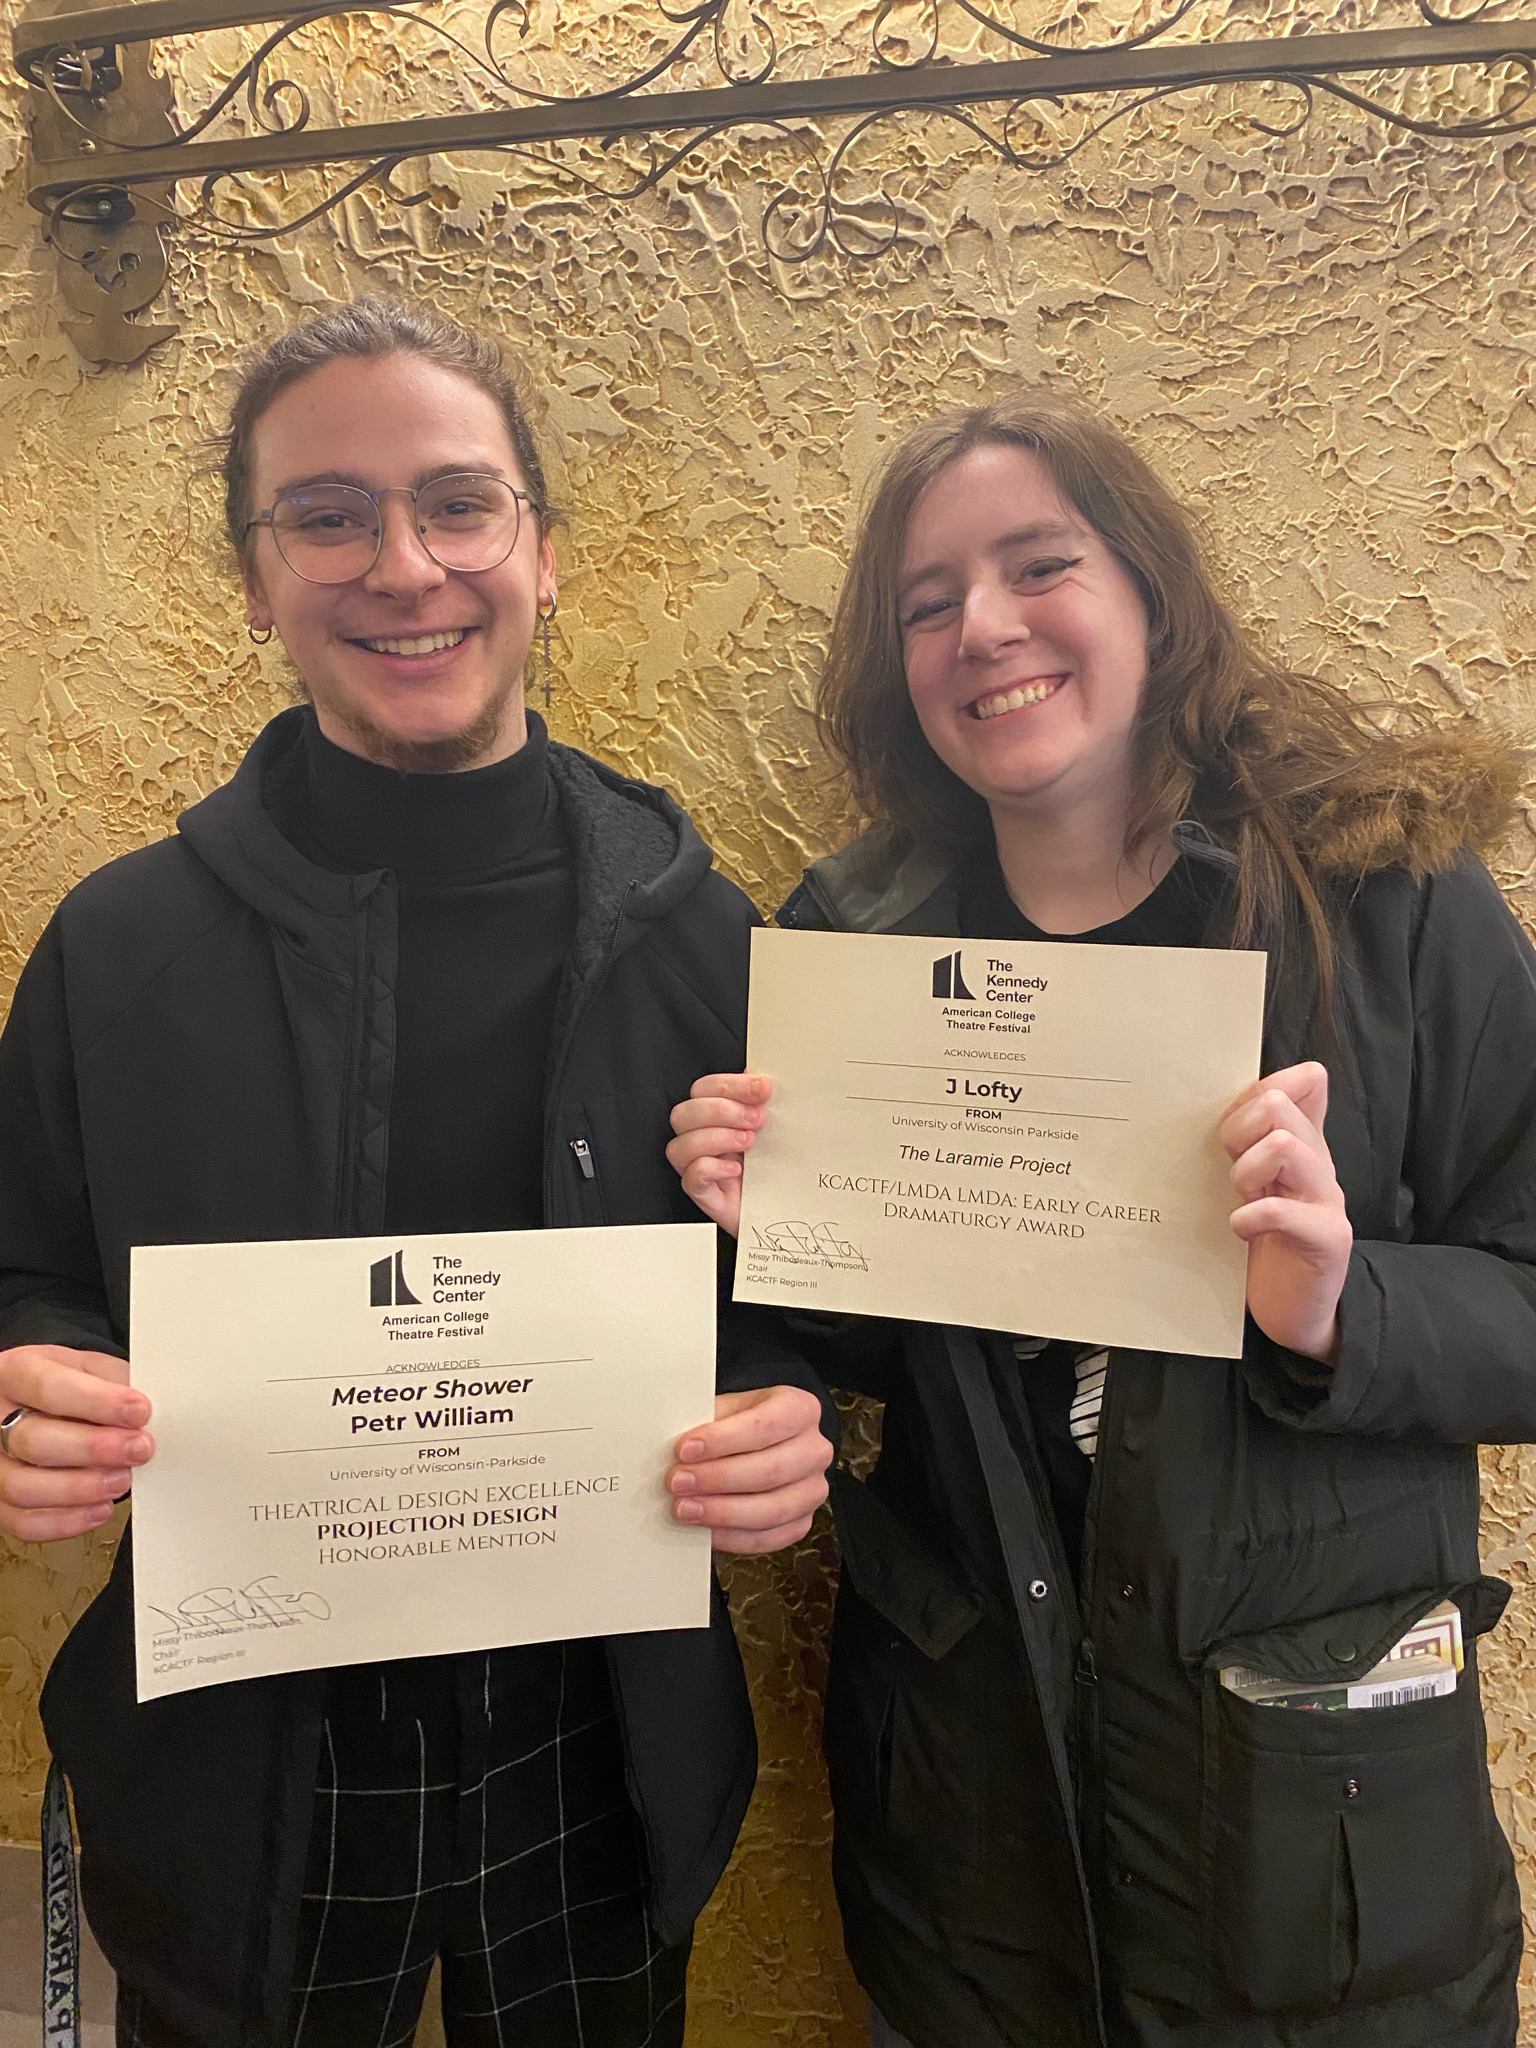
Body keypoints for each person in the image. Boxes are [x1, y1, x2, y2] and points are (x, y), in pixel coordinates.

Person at [0, 296, 833, 2048]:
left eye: (459, 503)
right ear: (252, 577)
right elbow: (23, 1268)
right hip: (248, 1768)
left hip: (598, 1751)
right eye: (327, 514)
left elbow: (790, 1304)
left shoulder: (707, 942)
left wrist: (772, 1413)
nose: (404, 565)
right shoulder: (116, 948)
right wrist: (27, 1393)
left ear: (542, 550)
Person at [665, 389, 1536, 2048]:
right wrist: (760, 1221)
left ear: (1149, 591)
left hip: (1317, 1868)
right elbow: (872, 1357)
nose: (983, 626)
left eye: (1039, 564)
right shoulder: (850, 943)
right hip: (973, 1854)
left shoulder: (1386, 904)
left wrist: (1343, 1309)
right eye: (927, 605)